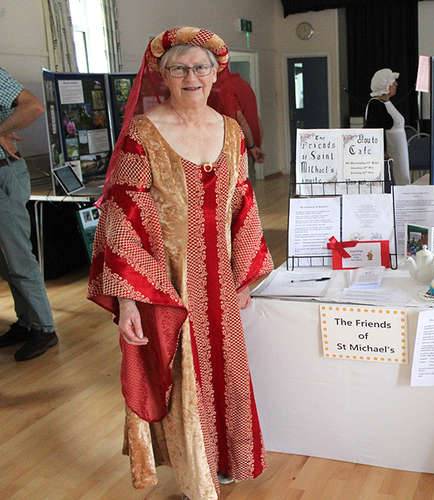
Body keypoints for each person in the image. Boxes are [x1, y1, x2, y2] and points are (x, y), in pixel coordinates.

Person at [87, 27, 273, 500]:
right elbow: (122, 219)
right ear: (162, 75)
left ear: (216, 74)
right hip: (168, 285)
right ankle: (196, 475)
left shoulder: (230, 131)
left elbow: (242, 206)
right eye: (179, 68)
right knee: (184, 378)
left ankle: (222, 458)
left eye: (200, 67)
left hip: (220, 285)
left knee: (225, 370)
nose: (191, 77)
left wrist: (244, 274)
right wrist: (129, 302)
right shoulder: (143, 133)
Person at [0, 67, 59, 361]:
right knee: (6, 261)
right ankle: (27, 323)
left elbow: (33, 107)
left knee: (19, 258)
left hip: (4, 174)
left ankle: (45, 329)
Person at [208, 70, 265, 177]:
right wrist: (257, 144)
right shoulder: (242, 83)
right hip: (249, 148)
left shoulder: (223, 88)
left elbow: (240, 120)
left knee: (237, 190)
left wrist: (252, 146)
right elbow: (256, 118)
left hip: (238, 151)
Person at [365, 68, 410, 186]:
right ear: (385, 86)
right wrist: (382, 150)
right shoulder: (375, 104)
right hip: (391, 149)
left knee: (402, 177)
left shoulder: (386, 103)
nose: (396, 84)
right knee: (396, 178)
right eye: (393, 83)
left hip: (398, 149)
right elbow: (375, 130)